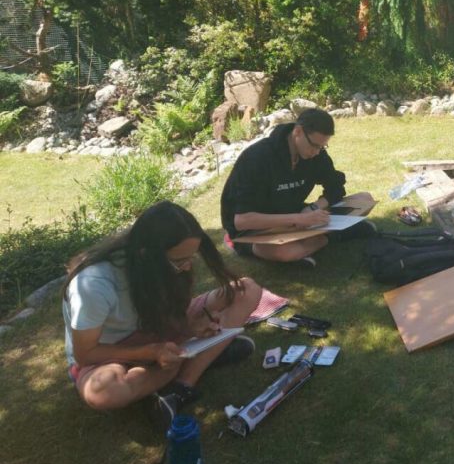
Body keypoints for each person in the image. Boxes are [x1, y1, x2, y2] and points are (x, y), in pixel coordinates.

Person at [63, 201, 262, 429]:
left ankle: (181, 386)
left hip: (157, 330)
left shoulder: (157, 262)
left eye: (191, 258)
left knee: (246, 290)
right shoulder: (93, 285)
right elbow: (85, 354)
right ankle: (196, 358)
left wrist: (188, 327)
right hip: (110, 351)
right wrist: (153, 351)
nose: (187, 267)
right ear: (145, 255)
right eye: (179, 261)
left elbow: (166, 312)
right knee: (104, 392)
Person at [221, 107, 370, 266]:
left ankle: (313, 242)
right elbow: (242, 221)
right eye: (314, 145)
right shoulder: (257, 158)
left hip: (295, 215)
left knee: (364, 199)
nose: (317, 152)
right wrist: (298, 218)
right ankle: (326, 238)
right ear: (297, 132)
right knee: (286, 251)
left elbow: (335, 187)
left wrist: (313, 208)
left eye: (322, 147)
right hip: (256, 227)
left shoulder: (315, 153)